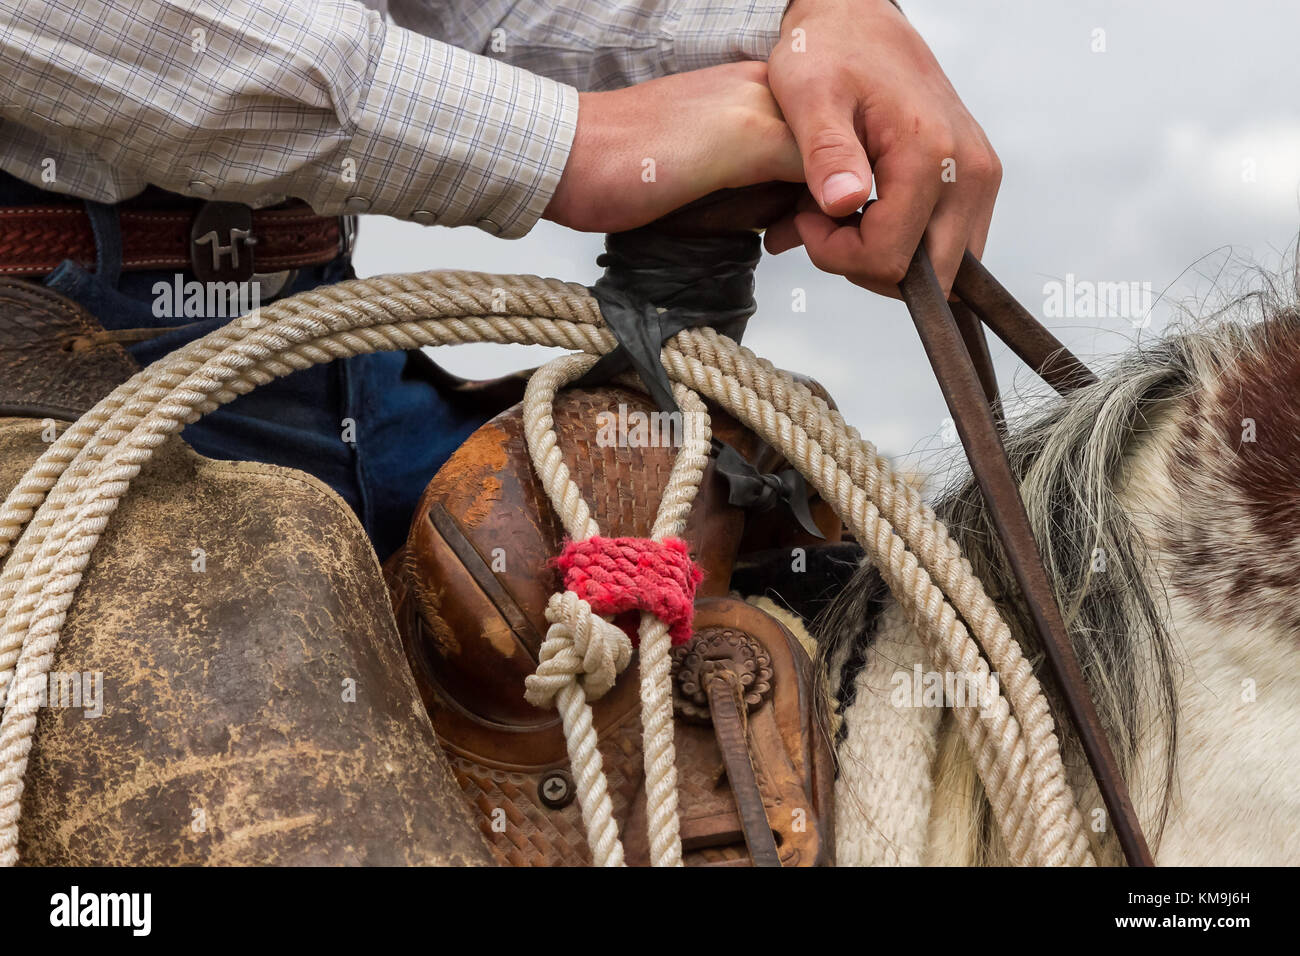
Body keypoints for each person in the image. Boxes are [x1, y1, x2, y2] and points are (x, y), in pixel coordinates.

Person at [0, 0, 1000, 559]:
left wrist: (788, 23)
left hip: (321, 334)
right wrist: (582, 143)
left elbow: (465, 11)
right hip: (48, 353)